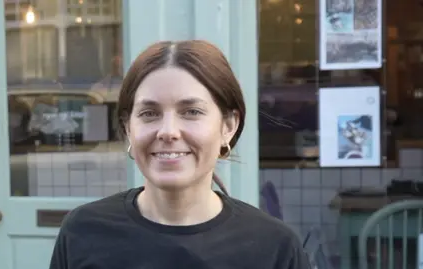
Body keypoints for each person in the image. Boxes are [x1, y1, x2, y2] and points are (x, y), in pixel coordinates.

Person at [49, 40, 311, 269]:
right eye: (149, 113)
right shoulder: (83, 232)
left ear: (228, 126)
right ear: (129, 127)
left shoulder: (274, 248)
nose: (168, 131)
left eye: (191, 112)